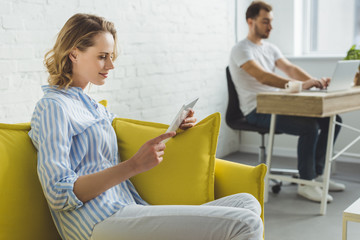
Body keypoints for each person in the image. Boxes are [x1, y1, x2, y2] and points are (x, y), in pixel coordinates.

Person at [29, 13, 263, 240]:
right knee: (247, 224)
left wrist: (175, 129)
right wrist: (133, 166)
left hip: (126, 207)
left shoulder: (94, 107)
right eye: (102, 56)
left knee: (246, 203)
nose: (110, 65)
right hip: (95, 221)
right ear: (74, 54)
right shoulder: (53, 107)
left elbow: (127, 139)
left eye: (111, 56)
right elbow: (58, 193)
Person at [229, 1, 345, 203]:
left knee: (333, 120)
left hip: (278, 104)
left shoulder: (271, 48)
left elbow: (290, 69)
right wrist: (300, 85)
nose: (270, 27)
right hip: (257, 109)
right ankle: (306, 184)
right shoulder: (240, 49)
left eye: (271, 21)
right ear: (250, 21)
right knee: (309, 127)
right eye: (265, 22)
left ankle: (316, 176)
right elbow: (263, 76)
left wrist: (315, 82)